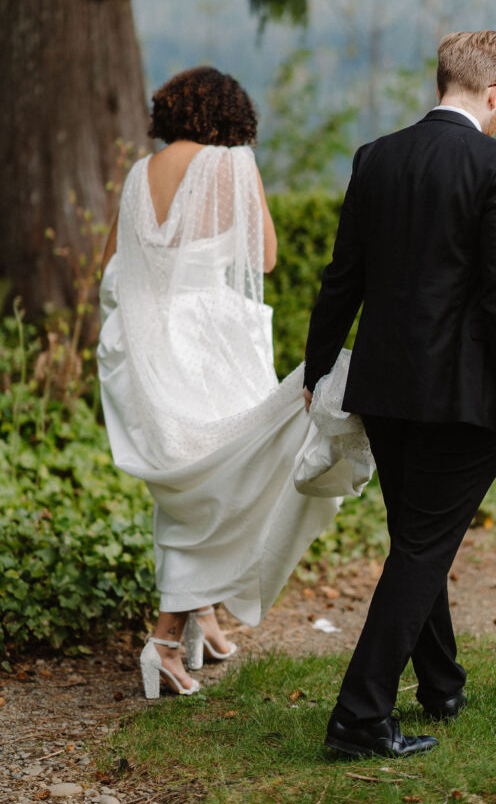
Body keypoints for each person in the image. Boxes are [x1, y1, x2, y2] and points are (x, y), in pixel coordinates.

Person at [303, 30, 496, 759]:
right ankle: (359, 716)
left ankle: (440, 683)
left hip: (383, 390)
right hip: (460, 400)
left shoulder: (376, 159)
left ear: (443, 82)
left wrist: (316, 369)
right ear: (494, 95)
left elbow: (344, 276)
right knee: (423, 550)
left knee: (416, 539)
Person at [97, 67, 358, 698]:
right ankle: (165, 639)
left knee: (188, 485)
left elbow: (118, 260)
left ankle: (203, 617)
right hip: (208, 343)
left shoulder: (140, 173)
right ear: (230, 114)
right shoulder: (230, 165)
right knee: (230, 480)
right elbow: (262, 256)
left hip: (145, 344)